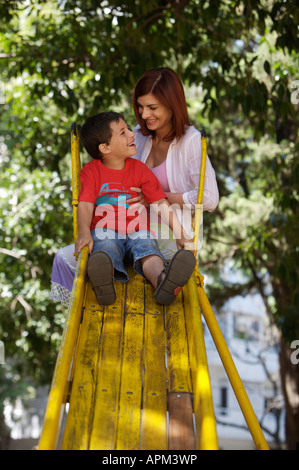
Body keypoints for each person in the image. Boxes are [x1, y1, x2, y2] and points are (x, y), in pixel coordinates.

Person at [50, 67, 219, 307]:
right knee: (69, 256)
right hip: (114, 227)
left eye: (152, 107)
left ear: (172, 104)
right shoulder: (138, 137)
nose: (143, 114)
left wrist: (167, 212)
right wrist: (87, 230)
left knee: (145, 246)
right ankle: (91, 293)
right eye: (140, 107)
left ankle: (162, 281)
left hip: (160, 233)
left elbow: (207, 199)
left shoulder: (190, 140)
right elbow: (95, 187)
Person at [75, 111, 195, 306]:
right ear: (105, 147)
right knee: (105, 247)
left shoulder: (139, 169)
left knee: (148, 249)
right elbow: (86, 204)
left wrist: (180, 233)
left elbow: (160, 203)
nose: (132, 134)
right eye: (123, 132)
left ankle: (162, 281)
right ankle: (103, 282)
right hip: (106, 230)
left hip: (137, 231)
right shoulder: (92, 171)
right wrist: (83, 233)